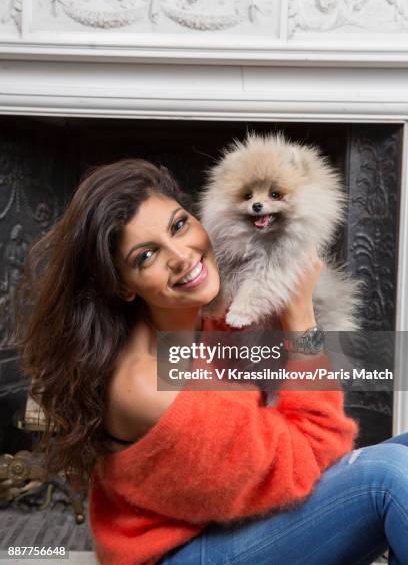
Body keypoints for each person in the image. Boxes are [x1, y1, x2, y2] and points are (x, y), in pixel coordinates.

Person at [14, 159, 408, 565]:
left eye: (179, 226)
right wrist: (299, 314)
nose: (182, 257)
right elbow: (315, 452)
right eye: (147, 256)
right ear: (122, 286)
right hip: (181, 552)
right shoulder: (150, 387)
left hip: (226, 522)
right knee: (386, 478)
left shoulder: (204, 323)